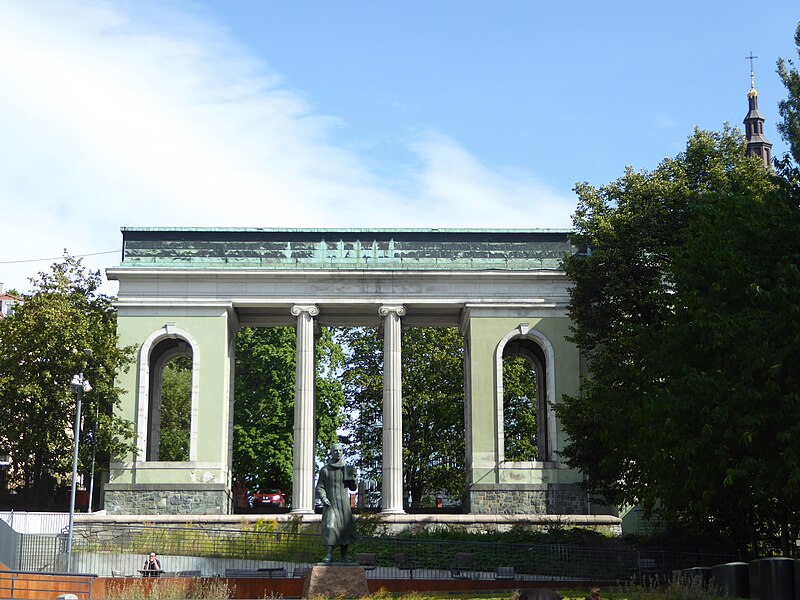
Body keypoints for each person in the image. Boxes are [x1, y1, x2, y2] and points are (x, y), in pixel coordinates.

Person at [315, 443, 357, 562]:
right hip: (331, 504)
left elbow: (353, 488)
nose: (337, 452)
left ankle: (344, 556)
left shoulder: (347, 468)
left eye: (340, 450)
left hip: (344, 505)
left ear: (342, 452)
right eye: (335, 450)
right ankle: (329, 554)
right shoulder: (325, 470)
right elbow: (319, 487)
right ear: (331, 452)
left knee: (345, 529)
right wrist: (323, 498)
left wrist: (354, 477)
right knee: (329, 526)